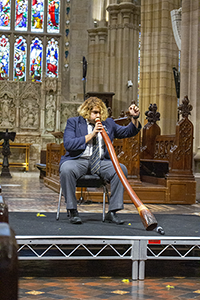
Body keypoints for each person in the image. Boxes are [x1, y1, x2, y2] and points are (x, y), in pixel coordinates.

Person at [59, 97, 141, 225]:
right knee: (66, 169)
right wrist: (91, 135)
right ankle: (72, 210)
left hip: (101, 162)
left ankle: (112, 212)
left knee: (121, 169)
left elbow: (128, 132)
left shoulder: (108, 123)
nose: (99, 115)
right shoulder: (74, 122)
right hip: (79, 160)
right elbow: (68, 144)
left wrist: (134, 118)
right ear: (87, 111)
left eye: (100, 112)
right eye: (95, 112)